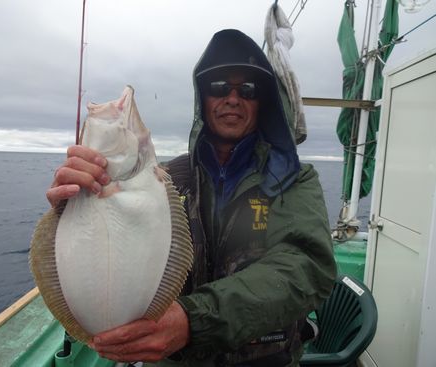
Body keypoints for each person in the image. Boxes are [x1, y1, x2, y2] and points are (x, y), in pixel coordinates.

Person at [47, 29, 337, 367]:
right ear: (203, 98)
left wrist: (192, 321)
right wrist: (73, 210)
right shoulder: (168, 180)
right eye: (218, 87)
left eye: (248, 89)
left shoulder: (294, 179)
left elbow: (306, 267)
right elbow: (115, 247)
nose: (232, 98)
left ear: (264, 102)